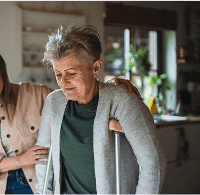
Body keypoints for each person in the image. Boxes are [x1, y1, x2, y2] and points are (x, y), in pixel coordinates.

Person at [0, 41, 140, 195]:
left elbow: (79, 99)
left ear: (2, 72)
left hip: (36, 184)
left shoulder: (37, 95)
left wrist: (109, 88)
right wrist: (21, 160)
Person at [34, 25, 166, 195]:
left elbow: (153, 162)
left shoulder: (123, 101)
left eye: (71, 74)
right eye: (58, 74)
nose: (63, 82)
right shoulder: (54, 102)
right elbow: (43, 156)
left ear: (95, 68)